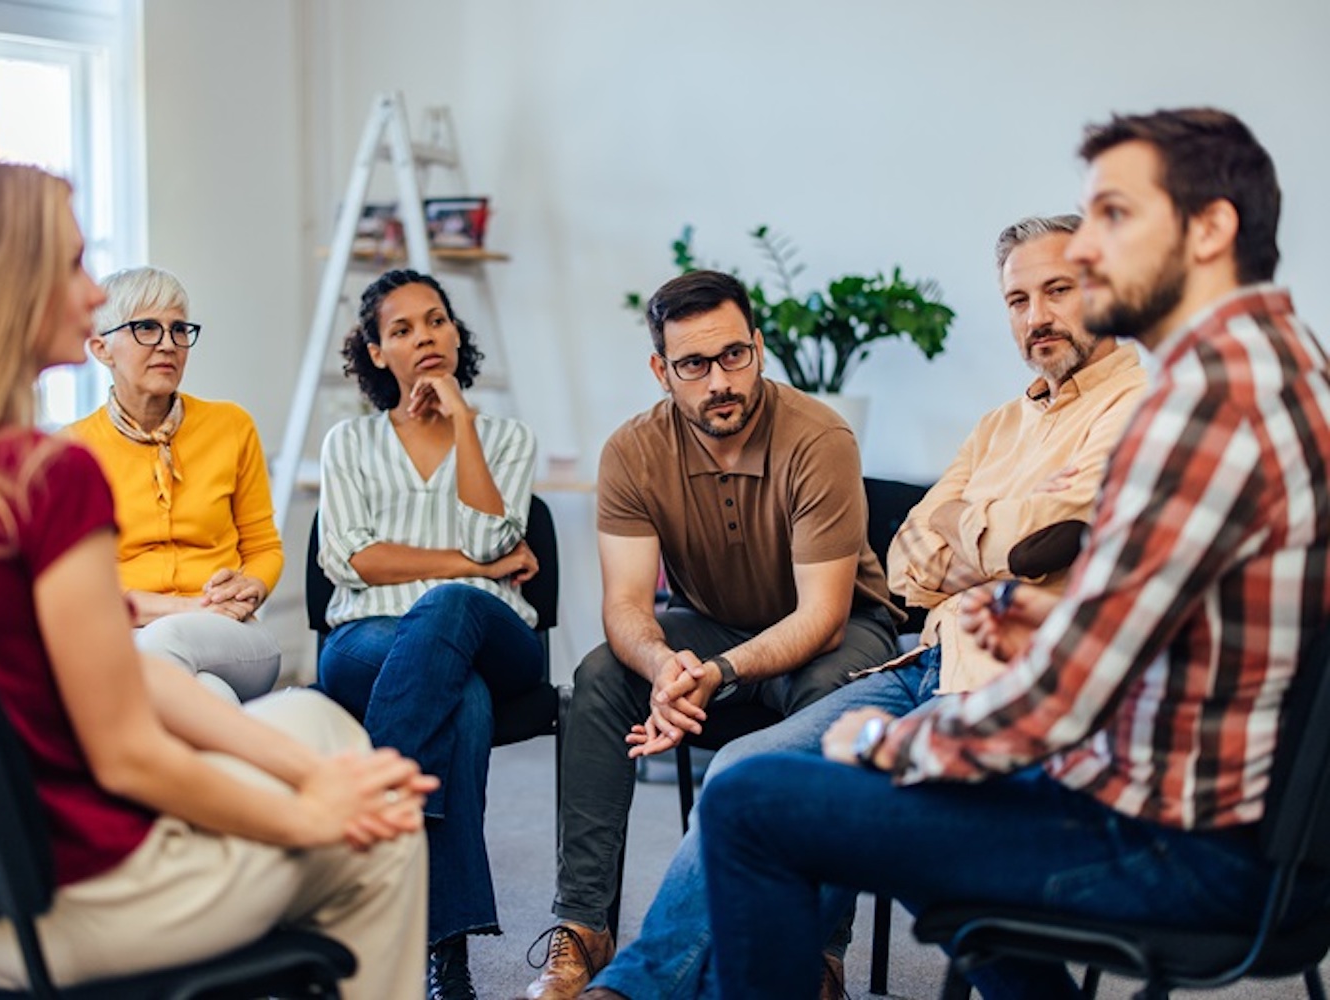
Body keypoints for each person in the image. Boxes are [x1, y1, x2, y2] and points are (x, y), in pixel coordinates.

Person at [699, 107, 1330, 1000]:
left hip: (1177, 842)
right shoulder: (1280, 364)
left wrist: (887, 741)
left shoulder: (1201, 407)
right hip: (1226, 816)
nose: (1089, 252)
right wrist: (1058, 616)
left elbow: (1063, 698)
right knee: (924, 826)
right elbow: (1190, 617)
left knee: (750, 800)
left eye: (1114, 217)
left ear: (1209, 229)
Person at [0, 153, 435, 999]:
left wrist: (312, 776)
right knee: (388, 829)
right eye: (73, 265)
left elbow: (120, 674)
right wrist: (308, 814)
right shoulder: (47, 476)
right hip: (71, 901)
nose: (92, 296)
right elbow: (128, 757)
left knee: (311, 720)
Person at [582, 214, 1149, 1000]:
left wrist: (969, 532)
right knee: (740, 773)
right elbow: (911, 557)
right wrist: (992, 538)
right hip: (926, 662)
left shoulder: (1142, 411)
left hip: (1015, 680)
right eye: (1018, 300)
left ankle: (709, 985)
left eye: (1058, 290)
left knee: (809, 803)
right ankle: (627, 984)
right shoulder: (1001, 424)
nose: (1036, 317)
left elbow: (1050, 538)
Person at [524, 269, 903, 1000]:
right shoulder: (632, 450)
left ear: (757, 347)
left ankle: (817, 954)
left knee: (835, 696)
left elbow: (821, 617)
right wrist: (663, 665)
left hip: (837, 631)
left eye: (733, 355)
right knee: (600, 675)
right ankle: (583, 927)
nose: (720, 381)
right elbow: (626, 604)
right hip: (712, 627)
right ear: (661, 371)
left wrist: (719, 672)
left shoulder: (818, 437)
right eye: (694, 365)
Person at [316, 268, 547, 1000]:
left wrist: (464, 424)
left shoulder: (505, 437)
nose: (425, 337)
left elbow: (491, 532)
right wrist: (474, 567)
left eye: (436, 320)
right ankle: (448, 959)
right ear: (376, 353)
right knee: (462, 701)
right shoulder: (349, 442)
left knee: (452, 608)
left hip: (492, 634)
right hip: (368, 639)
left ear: (455, 332)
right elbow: (351, 558)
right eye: (403, 329)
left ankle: (368, 833)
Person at [67, 266, 282, 703]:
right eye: (146, 327)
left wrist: (252, 587)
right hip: (124, 633)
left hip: (233, 634)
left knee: (160, 645)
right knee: (208, 693)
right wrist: (188, 607)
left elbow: (264, 548)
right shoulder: (72, 450)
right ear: (101, 349)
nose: (168, 343)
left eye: (179, 329)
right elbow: (82, 589)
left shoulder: (231, 426)